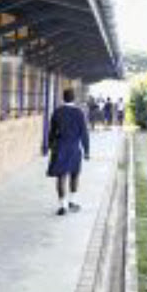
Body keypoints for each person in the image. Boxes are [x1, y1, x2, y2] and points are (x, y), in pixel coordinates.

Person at [47, 88, 90, 216]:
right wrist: (87, 150)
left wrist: (50, 145)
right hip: (74, 149)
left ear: (63, 98)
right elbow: (84, 133)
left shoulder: (57, 112)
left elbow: (52, 132)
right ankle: (72, 201)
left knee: (61, 176)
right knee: (74, 175)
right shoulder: (79, 113)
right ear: (74, 98)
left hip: (60, 148)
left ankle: (63, 206)